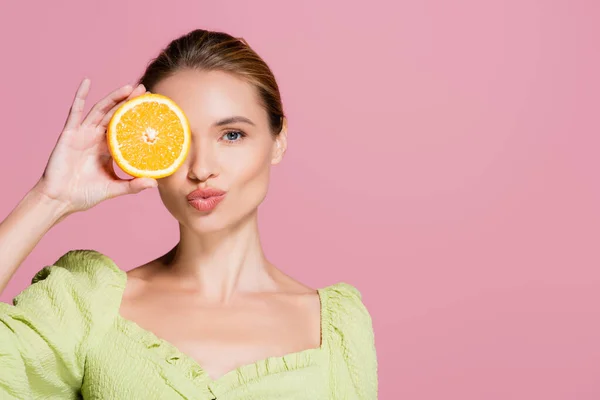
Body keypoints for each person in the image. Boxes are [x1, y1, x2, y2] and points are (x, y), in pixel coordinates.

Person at [0, 29, 377, 399]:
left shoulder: (336, 329)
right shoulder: (88, 306)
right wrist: (50, 198)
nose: (201, 168)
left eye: (231, 135)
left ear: (277, 141)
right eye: (177, 141)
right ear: (149, 154)